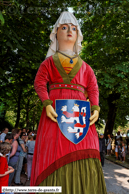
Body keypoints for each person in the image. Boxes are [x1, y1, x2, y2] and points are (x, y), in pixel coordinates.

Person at [30, 11, 107, 194]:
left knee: (86, 150)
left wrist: (95, 107)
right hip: (55, 113)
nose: (69, 31)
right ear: (56, 33)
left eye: (73, 28)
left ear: (78, 34)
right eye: (64, 28)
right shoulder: (48, 63)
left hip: (82, 115)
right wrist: (47, 102)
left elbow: (93, 88)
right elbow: (40, 83)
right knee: (53, 151)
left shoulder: (86, 67)